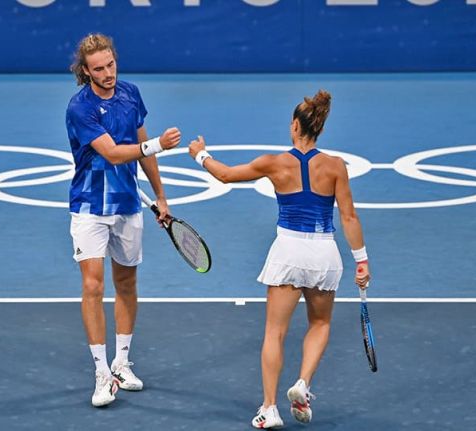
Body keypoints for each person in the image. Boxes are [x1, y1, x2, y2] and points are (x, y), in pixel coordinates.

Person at [188, 90, 371, 428]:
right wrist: (361, 262)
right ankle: (302, 385)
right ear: (317, 129)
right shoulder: (335, 167)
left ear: (294, 127)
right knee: (320, 323)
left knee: (275, 332)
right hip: (324, 254)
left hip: (288, 252)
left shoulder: (274, 163)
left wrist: (200, 154)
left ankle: (269, 408)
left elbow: (225, 174)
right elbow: (349, 218)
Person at [66, 33, 181, 407]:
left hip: (129, 204)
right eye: (98, 69)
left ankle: (122, 363)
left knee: (127, 283)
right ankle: (102, 374)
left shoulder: (131, 94)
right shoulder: (79, 108)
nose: (108, 73)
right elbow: (116, 154)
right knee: (93, 287)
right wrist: (157, 144)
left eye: (111, 64)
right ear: (85, 71)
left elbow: (142, 148)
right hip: (88, 207)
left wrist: (161, 194)